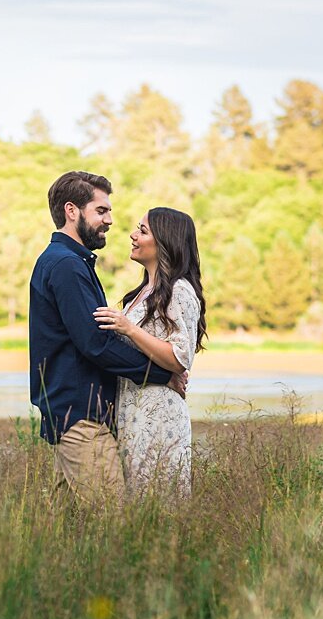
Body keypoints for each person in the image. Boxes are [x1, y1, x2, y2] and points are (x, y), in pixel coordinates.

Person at [28, 171, 183, 506]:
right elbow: (95, 343)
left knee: (69, 526)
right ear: (72, 211)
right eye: (101, 211)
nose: (110, 220)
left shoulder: (71, 262)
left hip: (72, 413)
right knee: (112, 519)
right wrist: (162, 374)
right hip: (80, 417)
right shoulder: (66, 265)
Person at [94, 206, 207, 499]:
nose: (132, 235)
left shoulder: (179, 291)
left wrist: (128, 328)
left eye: (142, 231)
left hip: (158, 416)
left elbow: (180, 358)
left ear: (165, 242)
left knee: (158, 502)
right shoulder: (143, 291)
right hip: (132, 412)